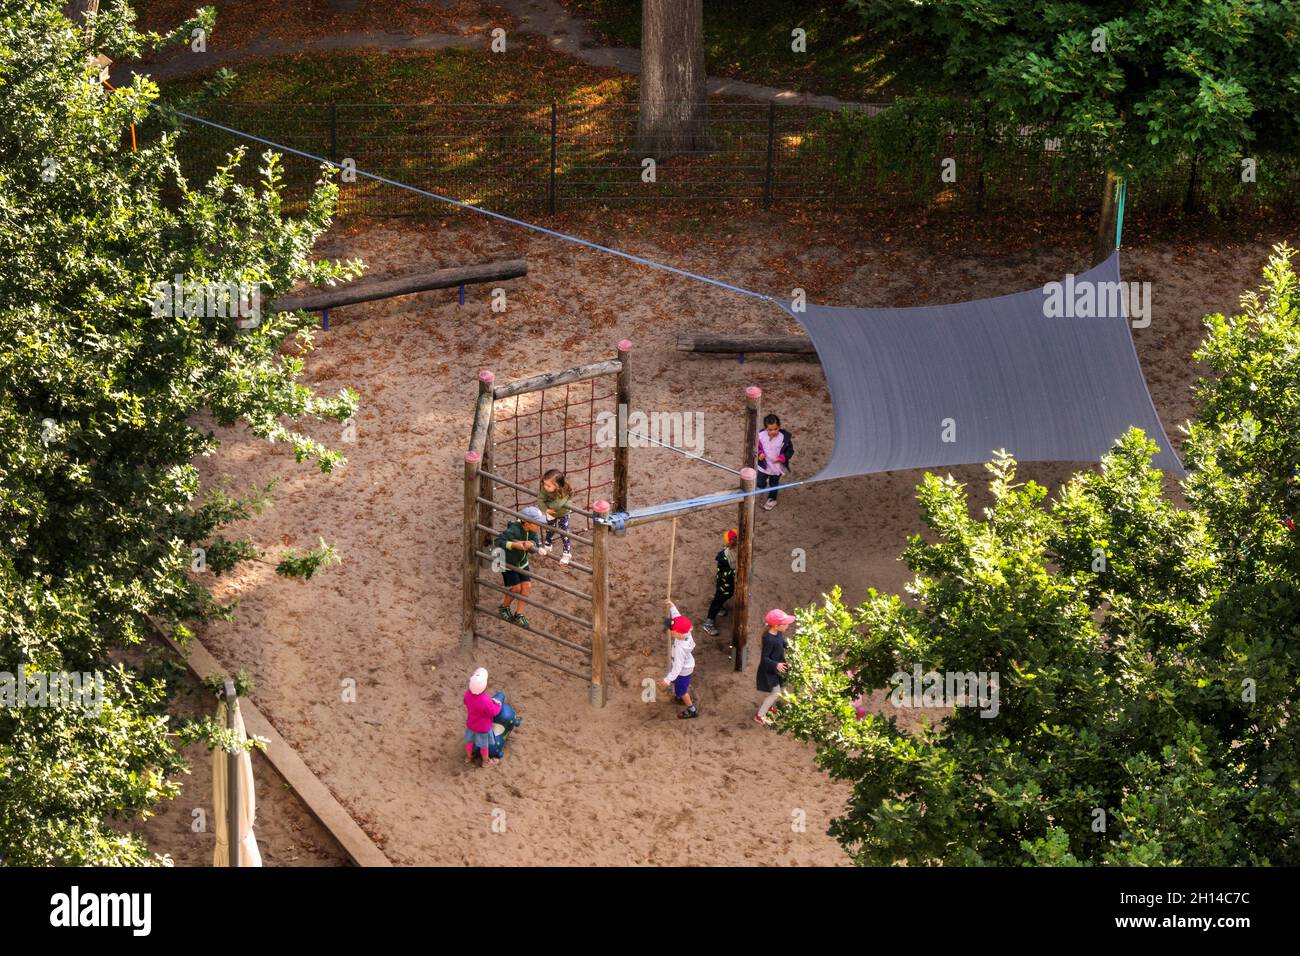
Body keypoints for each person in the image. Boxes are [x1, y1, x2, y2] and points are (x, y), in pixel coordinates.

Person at [493, 505, 546, 629]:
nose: (539, 526)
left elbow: (535, 545)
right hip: (508, 563)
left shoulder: (532, 532)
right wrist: (515, 545)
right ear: (526, 523)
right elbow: (498, 541)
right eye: (537, 523)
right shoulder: (513, 530)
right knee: (516, 588)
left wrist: (532, 545)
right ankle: (504, 607)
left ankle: (519, 614)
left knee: (527, 586)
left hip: (522, 563)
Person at [755, 608, 795, 725]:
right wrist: (776, 664)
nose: (787, 625)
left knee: (780, 689)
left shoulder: (778, 633)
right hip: (770, 670)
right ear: (776, 625)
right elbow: (764, 659)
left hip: (779, 668)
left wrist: (791, 647)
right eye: (785, 623)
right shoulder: (768, 639)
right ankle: (759, 715)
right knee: (775, 693)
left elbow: (783, 643)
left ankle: (768, 707)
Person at [661, 599, 698, 719]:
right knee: (679, 686)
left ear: (679, 634)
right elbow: (678, 617)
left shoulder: (680, 649)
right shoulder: (686, 631)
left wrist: (667, 679)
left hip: (683, 671)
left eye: (672, 630)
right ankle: (679, 696)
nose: (670, 630)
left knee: (682, 690)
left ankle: (691, 709)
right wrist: (672, 606)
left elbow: (677, 668)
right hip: (687, 665)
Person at [700, 529, 738, 636]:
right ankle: (708, 623)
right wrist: (737, 571)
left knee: (726, 595)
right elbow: (727, 573)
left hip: (727, 581)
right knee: (719, 599)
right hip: (724, 583)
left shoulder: (733, 551)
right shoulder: (724, 556)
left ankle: (720, 605)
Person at [464, 668, 503, 767]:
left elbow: (466, 701)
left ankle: (468, 757)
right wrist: (498, 705)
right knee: (483, 746)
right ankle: (486, 761)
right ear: (484, 687)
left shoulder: (468, 694)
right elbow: (493, 712)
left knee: (469, 742)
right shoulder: (486, 701)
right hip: (482, 728)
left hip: (471, 724)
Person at [755, 413, 794, 511]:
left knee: (774, 483)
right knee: (760, 481)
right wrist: (760, 454)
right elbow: (756, 447)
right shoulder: (760, 436)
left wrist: (782, 458)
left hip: (777, 467)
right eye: (770, 430)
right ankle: (761, 487)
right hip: (764, 466)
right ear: (765, 428)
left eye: (775, 429)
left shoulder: (784, 439)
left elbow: (790, 451)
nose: (773, 432)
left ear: (779, 427)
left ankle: (772, 499)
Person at [536, 469, 574, 565]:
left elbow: (557, 504)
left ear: (557, 486)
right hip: (551, 513)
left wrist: (547, 505)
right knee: (549, 529)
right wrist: (546, 509)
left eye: (548, 485)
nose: (545, 487)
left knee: (564, 532)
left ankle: (566, 553)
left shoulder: (563, 491)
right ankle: (548, 545)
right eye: (544, 484)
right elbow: (540, 500)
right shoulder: (544, 489)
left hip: (563, 513)